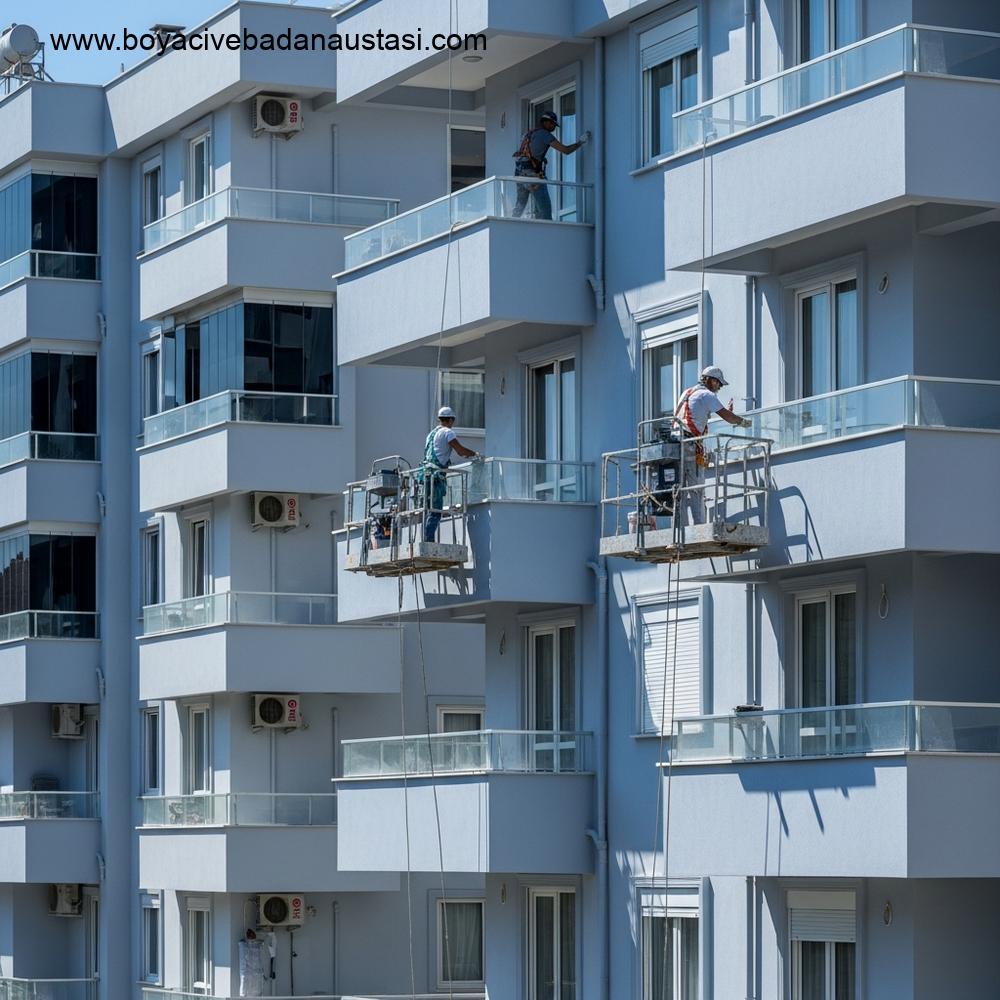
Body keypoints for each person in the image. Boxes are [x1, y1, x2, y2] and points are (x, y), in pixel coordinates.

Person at [674, 366, 753, 525]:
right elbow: (727, 416)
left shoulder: (688, 392)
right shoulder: (706, 394)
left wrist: (726, 414)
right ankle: (699, 527)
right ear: (708, 380)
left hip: (675, 444)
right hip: (689, 444)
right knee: (696, 488)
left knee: (678, 490)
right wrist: (743, 422)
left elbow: (697, 416)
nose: (719, 387)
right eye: (718, 383)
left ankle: (678, 529)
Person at [511, 111, 591, 220]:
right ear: (546, 122)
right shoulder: (545, 134)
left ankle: (508, 224)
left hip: (519, 173)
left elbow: (529, 152)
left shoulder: (528, 134)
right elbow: (565, 150)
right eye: (552, 124)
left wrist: (540, 158)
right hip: (532, 174)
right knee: (545, 209)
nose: (553, 127)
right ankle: (547, 229)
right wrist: (580, 142)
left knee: (520, 205)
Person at [420, 406, 479, 542]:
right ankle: (428, 541)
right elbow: (460, 451)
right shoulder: (448, 432)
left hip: (426, 474)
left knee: (429, 509)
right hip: (436, 475)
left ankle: (426, 538)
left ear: (439, 419)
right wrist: (475, 454)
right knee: (436, 510)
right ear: (451, 420)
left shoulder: (431, 434)